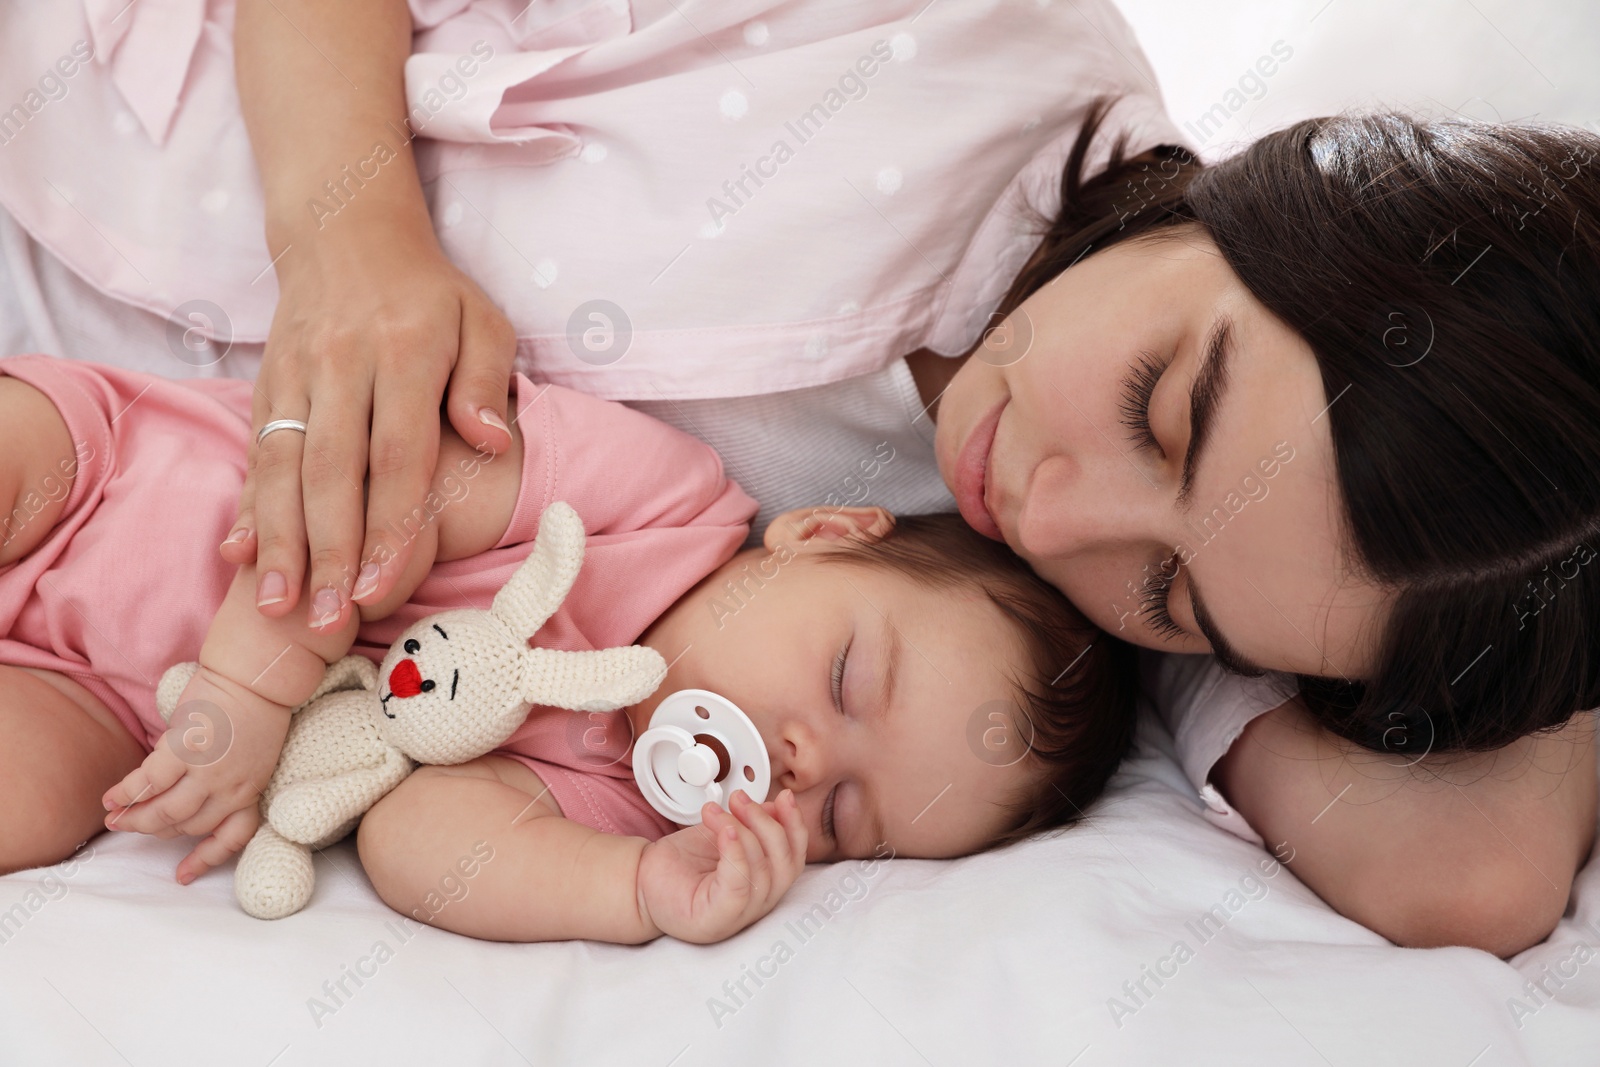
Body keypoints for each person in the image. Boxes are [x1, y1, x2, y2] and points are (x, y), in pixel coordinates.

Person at [0, 1, 1593, 956]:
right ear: (1260, 198)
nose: (1050, 508)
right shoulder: (949, 46)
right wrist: (349, 234)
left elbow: (1469, 871)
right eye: (1164, 406)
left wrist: (1542, 568)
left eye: (1174, 586)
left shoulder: (1015, 650)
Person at [0, 353, 1133, 945]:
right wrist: (249, 687)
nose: (798, 761)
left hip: (112, 704)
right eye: (845, 680)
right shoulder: (652, 499)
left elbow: (417, 841)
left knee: (33, 806)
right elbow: (373, 488)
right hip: (101, 476)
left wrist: (636, 887)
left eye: (840, 815)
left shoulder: (624, 798)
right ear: (823, 534)